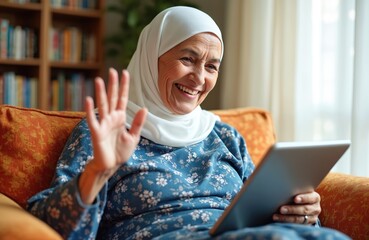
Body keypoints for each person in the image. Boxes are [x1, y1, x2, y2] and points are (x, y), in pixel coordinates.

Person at [27, 6, 351, 240]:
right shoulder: (106, 130)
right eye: (188, 59)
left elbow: (262, 208)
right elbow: (50, 225)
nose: (199, 78)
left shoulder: (225, 135)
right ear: (151, 57)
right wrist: (97, 172)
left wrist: (303, 215)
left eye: (212, 66)